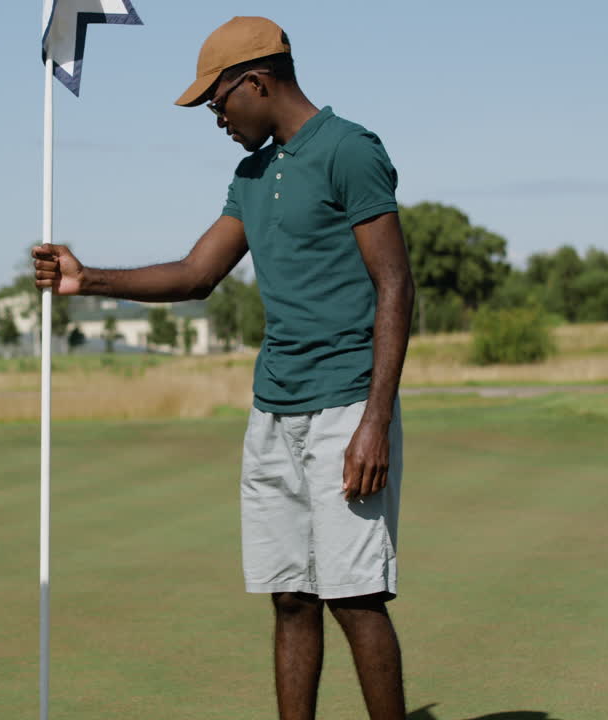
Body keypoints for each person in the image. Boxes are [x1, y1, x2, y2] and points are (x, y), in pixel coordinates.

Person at [33, 16, 415, 720]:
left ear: (257, 83)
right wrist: (87, 280)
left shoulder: (350, 150)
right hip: (273, 409)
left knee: (355, 598)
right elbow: (196, 274)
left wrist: (375, 421)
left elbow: (395, 285)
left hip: (346, 405)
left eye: (217, 100)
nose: (216, 117)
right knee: (290, 596)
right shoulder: (251, 175)